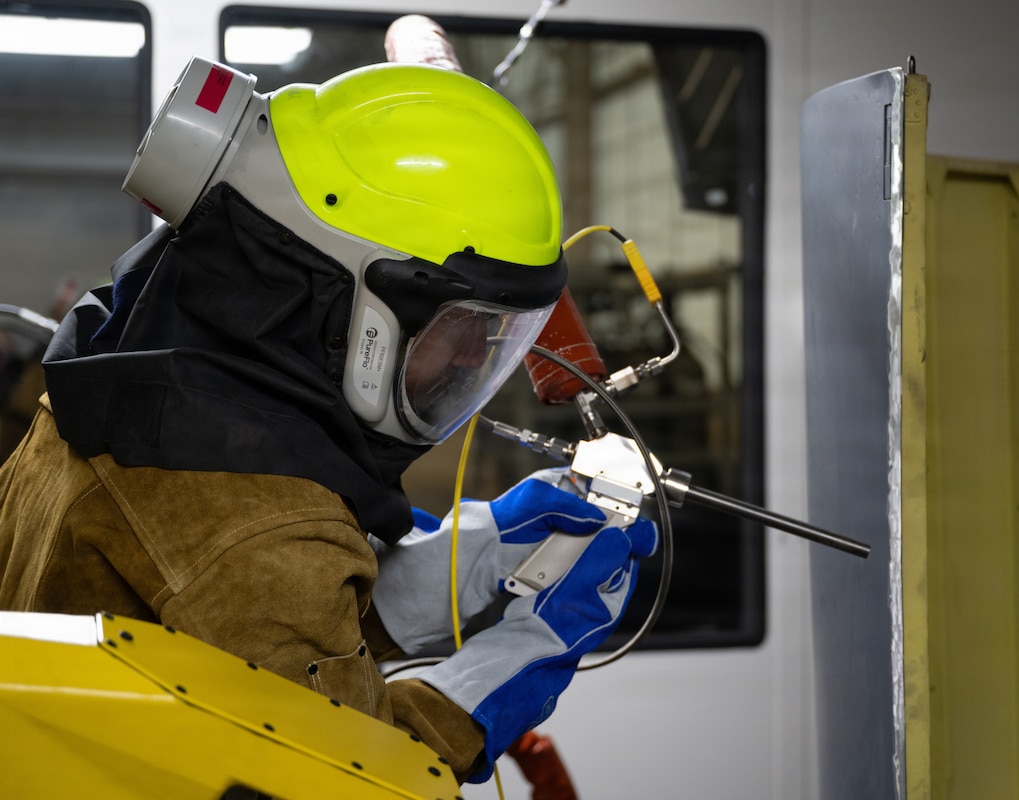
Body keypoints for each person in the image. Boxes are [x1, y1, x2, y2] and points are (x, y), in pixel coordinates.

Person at [0, 49, 656, 785]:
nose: (465, 370)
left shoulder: (115, 381)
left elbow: (232, 648)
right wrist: (491, 683)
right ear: (350, 307)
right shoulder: (261, 528)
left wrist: (431, 578)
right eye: (461, 335)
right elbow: (352, 778)